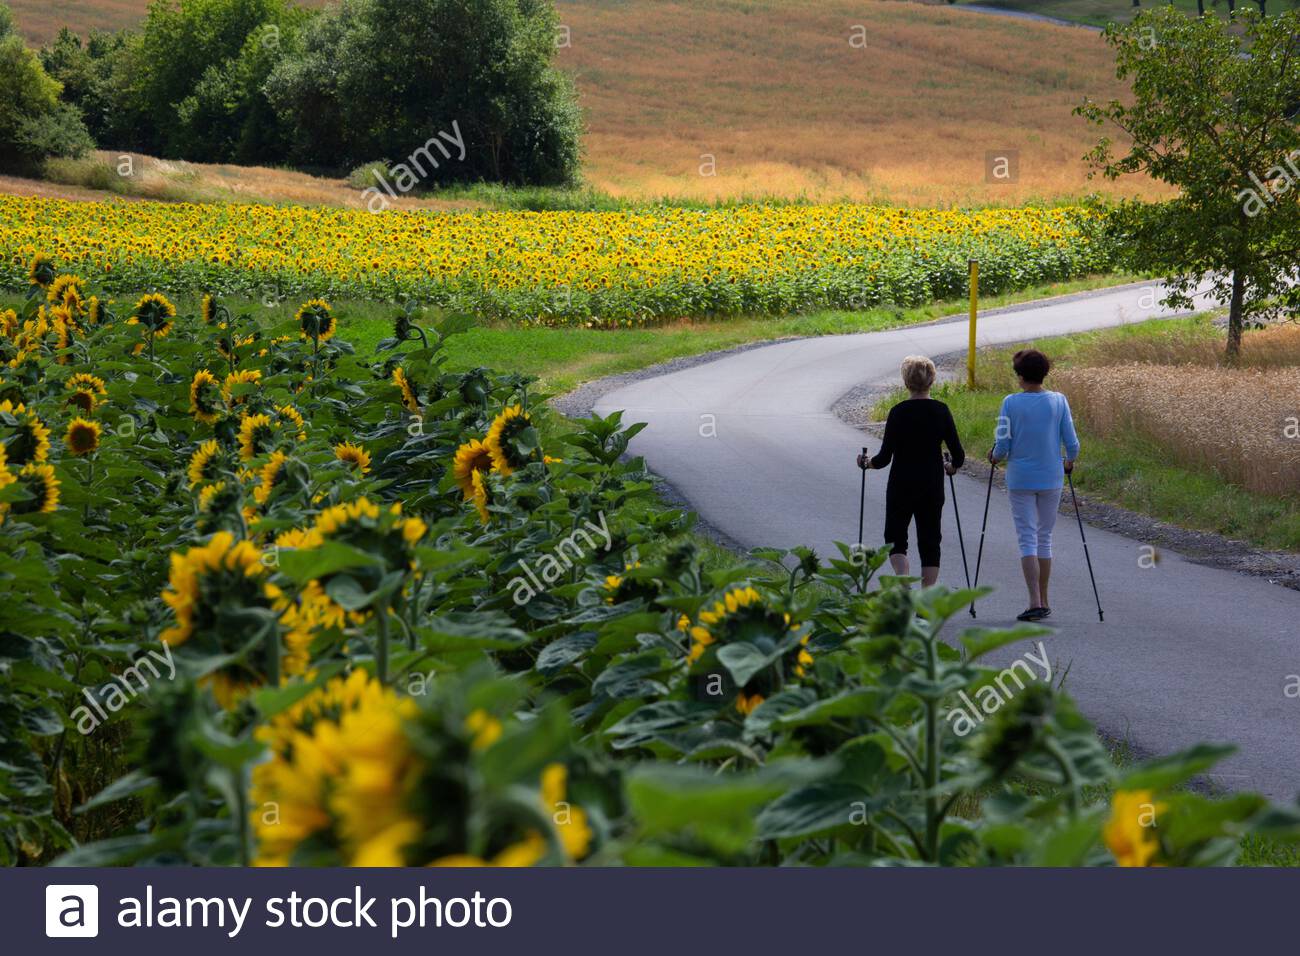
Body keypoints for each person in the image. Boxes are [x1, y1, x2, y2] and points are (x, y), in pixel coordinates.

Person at [988, 348, 1080, 622]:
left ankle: (1034, 601)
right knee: (1044, 537)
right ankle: (1044, 598)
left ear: (1020, 376)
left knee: (1027, 536)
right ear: (1044, 373)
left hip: (1020, 478)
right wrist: (1069, 461)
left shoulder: (1010, 403)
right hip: (1051, 477)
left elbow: (1002, 443)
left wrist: (994, 456)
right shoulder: (1059, 401)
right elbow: (1072, 443)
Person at [857, 355, 964, 587]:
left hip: (901, 483)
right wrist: (952, 467)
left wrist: (867, 463)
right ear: (932, 381)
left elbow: (884, 458)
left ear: (906, 382)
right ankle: (925, 602)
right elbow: (959, 455)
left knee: (895, 539)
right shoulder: (941, 410)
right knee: (930, 541)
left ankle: (903, 582)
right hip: (931, 484)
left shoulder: (898, 412)